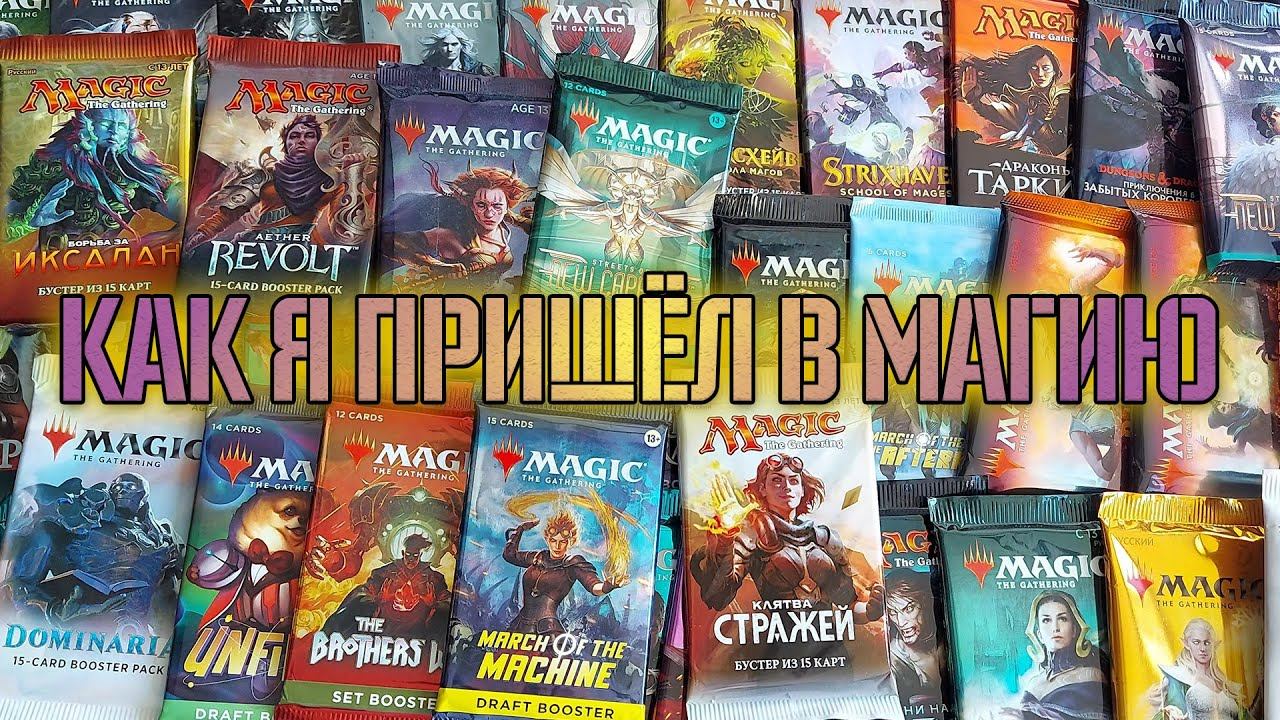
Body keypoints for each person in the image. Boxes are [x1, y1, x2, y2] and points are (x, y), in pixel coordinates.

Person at [689, 453, 884, 664]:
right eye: (777, 480)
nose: (787, 487)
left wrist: (870, 611)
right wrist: (724, 543)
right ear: (762, 488)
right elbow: (718, 596)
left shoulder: (825, 538)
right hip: (778, 658)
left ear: (803, 489)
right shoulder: (753, 535)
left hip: (831, 657)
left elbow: (847, 605)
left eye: (793, 480)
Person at [187, 115, 372, 247]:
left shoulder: (331, 179)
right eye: (294, 136)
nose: (301, 140)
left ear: (319, 143)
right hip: (253, 244)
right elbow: (228, 214)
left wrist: (354, 175)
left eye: (309, 136)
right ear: (286, 143)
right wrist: (199, 237)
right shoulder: (265, 175)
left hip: (300, 249)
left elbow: (348, 230)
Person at [503, 509, 624, 635]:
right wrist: (520, 530)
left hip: (548, 630)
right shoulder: (537, 557)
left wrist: (607, 586)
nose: (557, 546)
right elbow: (509, 555)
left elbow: (593, 586)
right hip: (519, 627)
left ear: (571, 542)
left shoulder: (573, 564)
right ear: (547, 539)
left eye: (563, 541)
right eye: (553, 541)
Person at [1005, 591, 1108, 720]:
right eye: (1046, 620)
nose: (1055, 628)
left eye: (1062, 619)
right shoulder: (1034, 684)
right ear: (1039, 634)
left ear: (1074, 630)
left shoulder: (1090, 675)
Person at [324, 533, 451, 638]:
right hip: (384, 630)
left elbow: (448, 603)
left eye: (415, 555)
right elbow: (362, 593)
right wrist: (377, 600)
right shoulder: (384, 573)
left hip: (418, 633)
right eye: (408, 555)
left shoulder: (434, 578)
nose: (411, 559)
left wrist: (433, 605)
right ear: (403, 553)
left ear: (421, 555)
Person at [958, 45, 1069, 156]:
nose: (1040, 74)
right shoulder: (1023, 103)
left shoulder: (1065, 96)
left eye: (1046, 68)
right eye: (1034, 68)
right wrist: (971, 99)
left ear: (1054, 71)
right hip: (1035, 157)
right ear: (1028, 72)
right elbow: (993, 113)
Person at [1150, 619, 1254, 720]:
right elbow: (1171, 713)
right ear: (1186, 644)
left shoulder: (1224, 685)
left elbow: (1244, 716)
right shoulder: (1179, 678)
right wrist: (1170, 712)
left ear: (1214, 645)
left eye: (1207, 643)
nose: (1202, 648)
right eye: (1196, 642)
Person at [885, 570, 944, 708]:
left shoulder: (946, 630)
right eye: (893, 612)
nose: (900, 622)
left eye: (909, 609)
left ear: (924, 603)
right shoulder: (895, 656)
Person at [420, 27, 495, 75]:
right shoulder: (424, 70)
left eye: (454, 44)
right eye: (445, 45)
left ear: (461, 46)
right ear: (438, 46)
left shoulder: (479, 70)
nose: (450, 49)